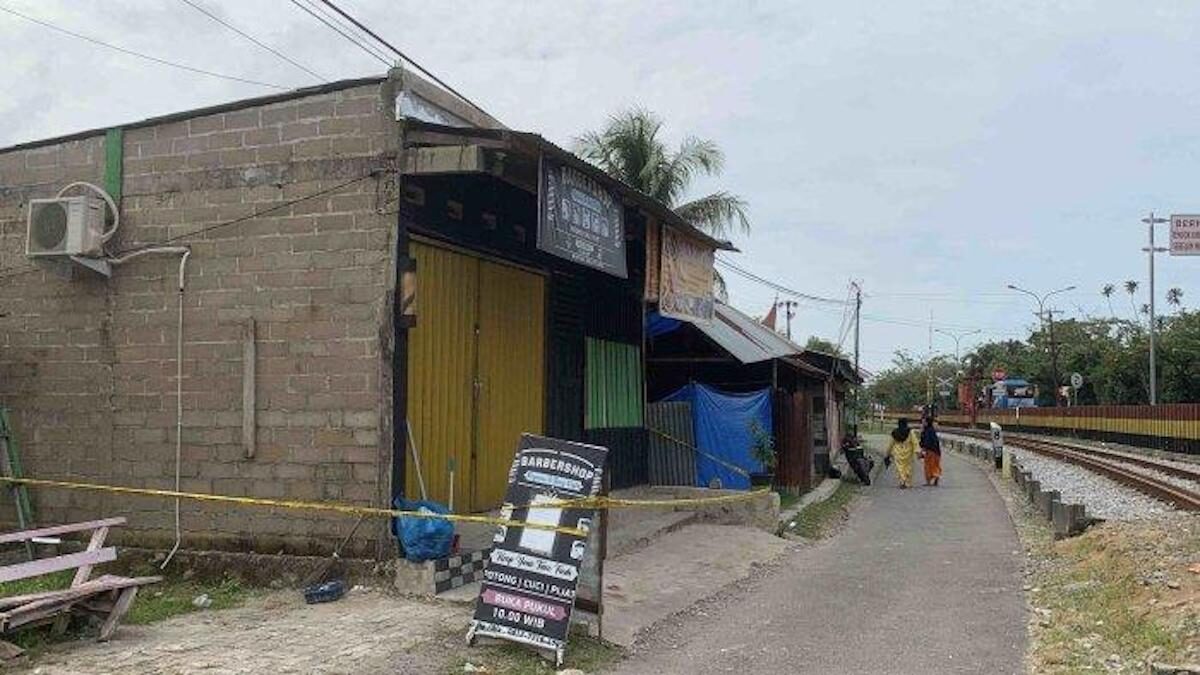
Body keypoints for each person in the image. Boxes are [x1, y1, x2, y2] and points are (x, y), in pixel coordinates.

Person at [887, 418, 918, 488]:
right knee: (908, 467)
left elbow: (891, 444)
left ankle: (902, 481)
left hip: (898, 453)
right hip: (908, 453)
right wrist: (917, 451)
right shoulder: (910, 432)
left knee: (900, 468)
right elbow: (915, 442)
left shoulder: (895, 432)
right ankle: (907, 482)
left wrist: (888, 453)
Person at [920, 416, 942, 486]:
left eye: (924, 422)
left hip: (930, 451)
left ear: (927, 422)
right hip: (936, 451)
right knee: (935, 465)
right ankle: (936, 477)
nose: (922, 423)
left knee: (928, 466)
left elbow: (926, 442)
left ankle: (928, 482)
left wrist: (922, 449)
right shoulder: (932, 430)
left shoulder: (927, 431)